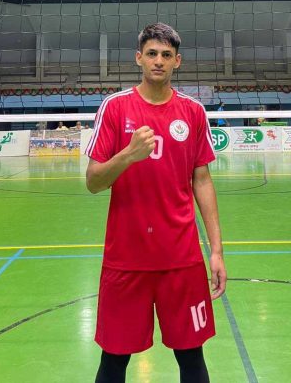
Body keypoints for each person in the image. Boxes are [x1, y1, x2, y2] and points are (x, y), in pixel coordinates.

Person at [86, 23, 226, 383]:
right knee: (113, 359)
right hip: (126, 259)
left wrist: (216, 251)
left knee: (192, 357)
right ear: (139, 58)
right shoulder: (115, 108)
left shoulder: (193, 112)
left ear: (177, 61)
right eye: (151, 54)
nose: (158, 61)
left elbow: (202, 181)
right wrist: (128, 155)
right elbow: (93, 182)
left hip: (181, 258)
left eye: (166, 55)